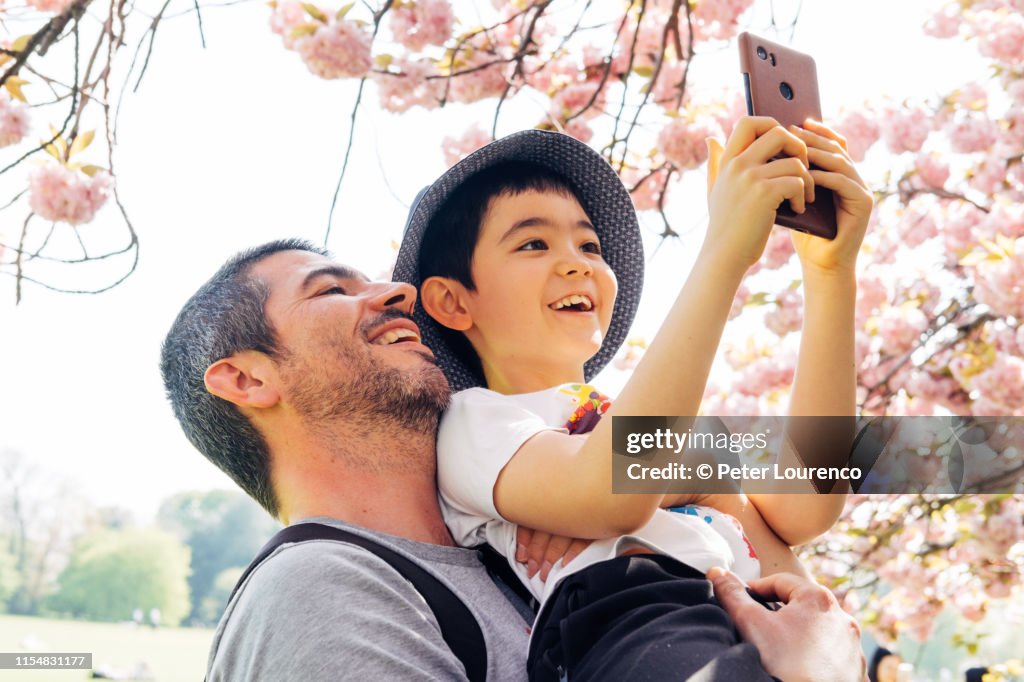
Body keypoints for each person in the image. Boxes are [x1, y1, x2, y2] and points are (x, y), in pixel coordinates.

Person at [160, 239, 867, 681]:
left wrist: (832, 272)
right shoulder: (321, 591)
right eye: (333, 289)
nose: (392, 292)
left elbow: (807, 496)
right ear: (247, 379)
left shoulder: (517, 534)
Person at [394, 123, 871, 679]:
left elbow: (807, 502)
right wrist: (724, 253)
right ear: (452, 300)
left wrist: (831, 275)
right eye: (533, 243)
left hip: (771, 618)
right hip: (644, 614)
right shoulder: (473, 420)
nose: (578, 263)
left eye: (589, 245)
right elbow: (611, 490)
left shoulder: (647, 422)